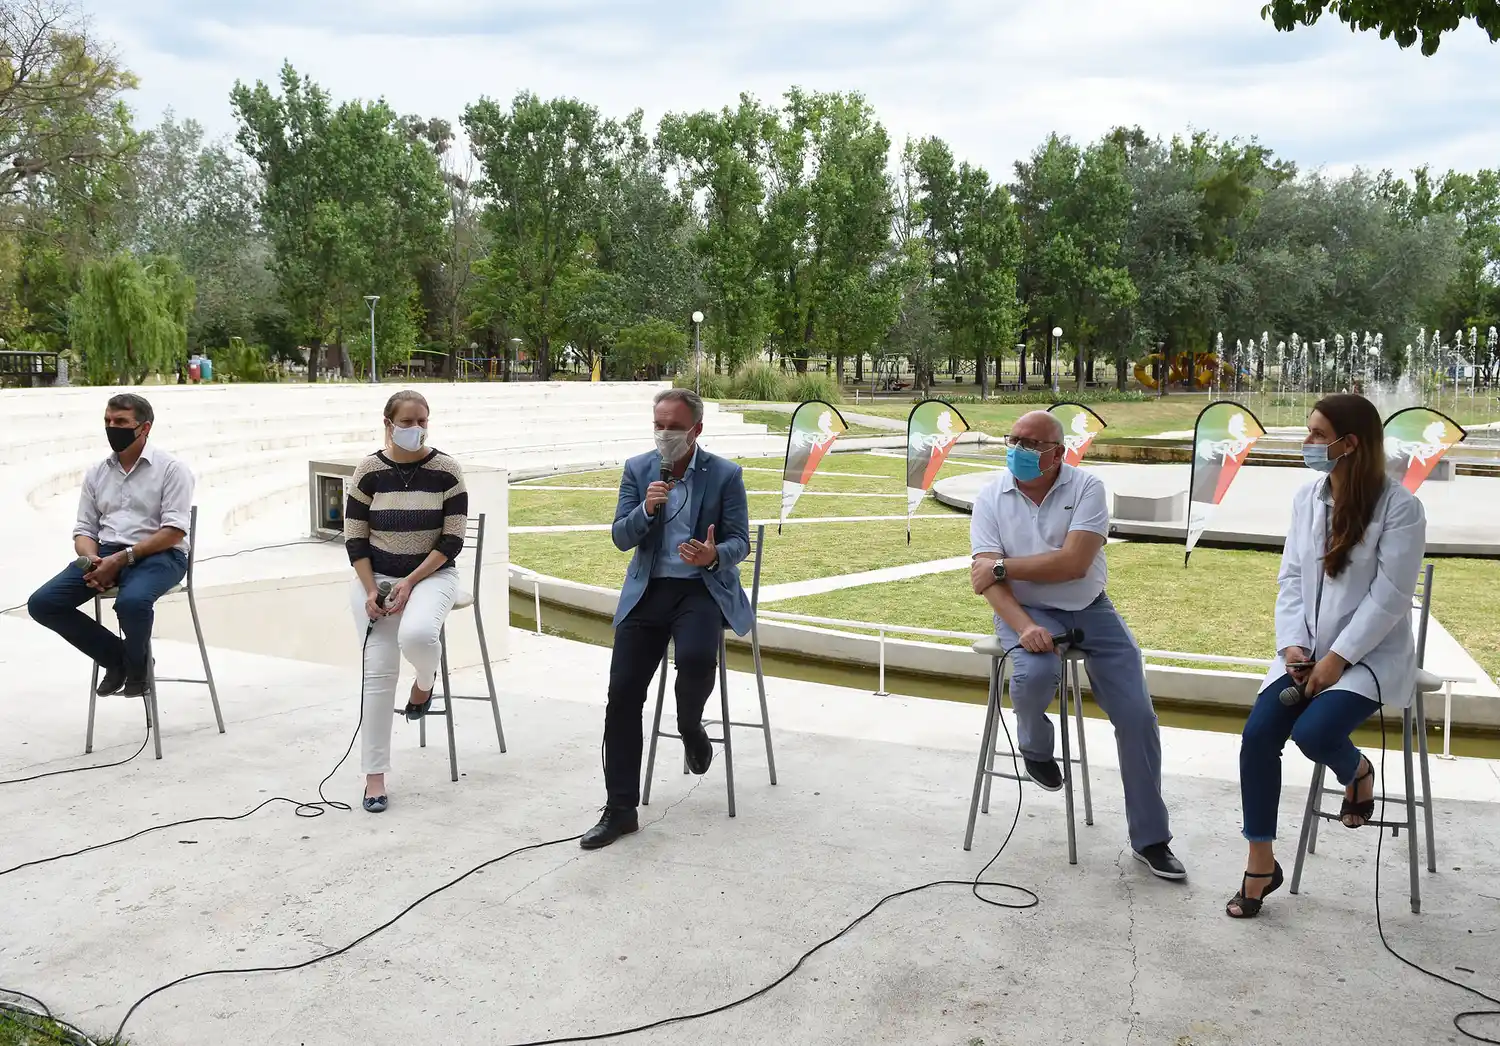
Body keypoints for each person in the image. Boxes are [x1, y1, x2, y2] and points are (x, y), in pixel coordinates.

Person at [1227, 394, 1426, 918]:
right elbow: (1291, 577)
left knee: (1314, 734)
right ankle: (1261, 864)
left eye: (1316, 434)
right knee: (1258, 736)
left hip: (1370, 656)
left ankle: (1357, 769)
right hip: (1306, 652)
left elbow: (1389, 598)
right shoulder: (1306, 499)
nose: (1307, 443)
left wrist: (1338, 658)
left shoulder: (1400, 507)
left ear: (1349, 444)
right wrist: (1294, 644)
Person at [969, 409, 1186, 880]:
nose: (1018, 450)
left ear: (1057, 453)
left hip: (1090, 608)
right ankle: (1035, 746)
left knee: (1137, 717)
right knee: (1034, 674)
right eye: (1013, 440)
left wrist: (1004, 566)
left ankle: (1151, 838)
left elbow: (1073, 564)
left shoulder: (1086, 488)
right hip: (1024, 610)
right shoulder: (991, 496)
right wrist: (1024, 625)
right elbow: (985, 584)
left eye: (1030, 444)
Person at [581, 388, 753, 850]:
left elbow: (741, 541)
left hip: (699, 589)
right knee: (621, 696)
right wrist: (647, 508)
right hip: (649, 590)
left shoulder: (725, 474)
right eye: (658, 425)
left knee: (696, 658)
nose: (664, 435)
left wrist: (715, 554)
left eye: (673, 427)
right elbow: (620, 536)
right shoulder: (639, 470)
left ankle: (690, 727)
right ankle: (620, 809)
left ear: (695, 429)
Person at [343, 391, 468, 814]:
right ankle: (374, 777)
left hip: (432, 574)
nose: (416, 428)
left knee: (416, 635)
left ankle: (425, 684)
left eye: (423, 421)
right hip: (375, 576)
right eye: (408, 421)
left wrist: (411, 582)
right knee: (377, 672)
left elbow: (452, 540)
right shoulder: (369, 471)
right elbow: (355, 538)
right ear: (388, 422)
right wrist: (370, 592)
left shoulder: (447, 470)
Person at [28, 394, 194, 698]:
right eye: (107, 421)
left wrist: (122, 559)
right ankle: (124, 661)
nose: (112, 427)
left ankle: (132, 668)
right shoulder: (97, 473)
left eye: (120, 422)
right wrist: (92, 559)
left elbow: (173, 532)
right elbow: (84, 530)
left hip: (161, 555)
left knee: (132, 603)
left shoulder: (172, 470)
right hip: (106, 553)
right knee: (43, 604)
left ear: (144, 428)